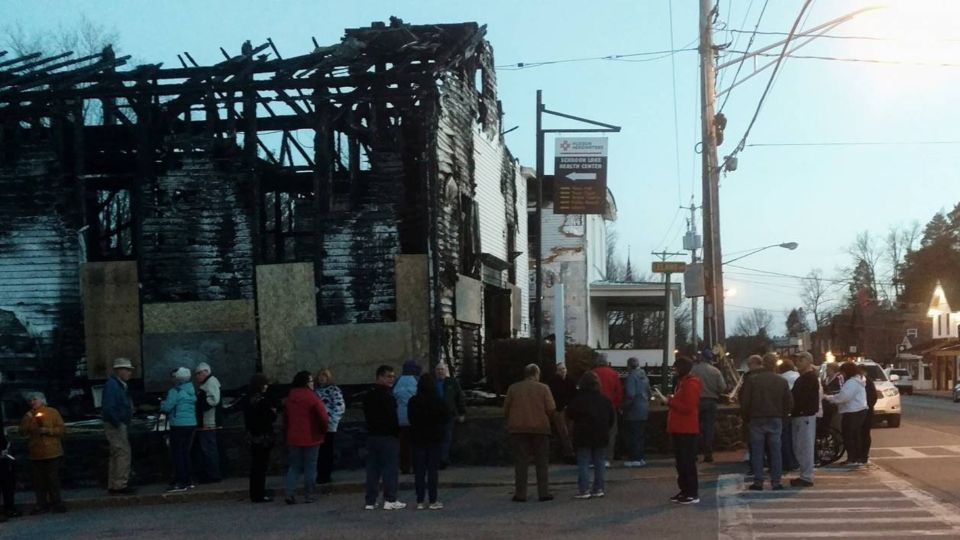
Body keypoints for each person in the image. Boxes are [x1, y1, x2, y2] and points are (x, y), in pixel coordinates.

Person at [504, 363, 556, 503]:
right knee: (542, 462)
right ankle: (543, 492)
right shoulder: (543, 388)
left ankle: (520, 494)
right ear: (536, 374)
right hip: (540, 429)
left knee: (521, 462)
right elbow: (551, 409)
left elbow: (506, 408)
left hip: (518, 429)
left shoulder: (513, 388)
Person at [741, 353, 793, 491]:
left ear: (763, 363)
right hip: (775, 418)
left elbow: (745, 401)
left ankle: (758, 482)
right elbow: (788, 402)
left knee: (757, 452)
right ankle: (776, 482)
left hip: (757, 418)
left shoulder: (753, 380)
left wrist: (746, 417)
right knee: (776, 451)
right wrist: (783, 416)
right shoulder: (781, 381)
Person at [656, 356, 702, 505]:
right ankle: (685, 491)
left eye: (676, 368)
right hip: (681, 427)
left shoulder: (690, 384)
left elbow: (688, 407)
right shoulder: (684, 383)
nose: (674, 371)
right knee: (682, 463)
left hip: (686, 428)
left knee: (686, 462)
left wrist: (669, 401)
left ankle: (691, 492)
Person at [566, 371, 615, 499]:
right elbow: (611, 419)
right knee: (599, 462)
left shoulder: (578, 399)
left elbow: (570, 414)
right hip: (601, 434)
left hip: (583, 434)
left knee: (583, 462)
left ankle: (584, 490)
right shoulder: (605, 400)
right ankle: (598, 489)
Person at [364, 365, 405, 510]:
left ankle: (370, 500)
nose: (391, 379)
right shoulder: (389, 397)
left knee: (373, 470)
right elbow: (392, 418)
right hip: (387, 437)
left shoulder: (368, 396)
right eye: (388, 376)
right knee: (390, 469)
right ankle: (390, 499)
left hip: (372, 436)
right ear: (380, 377)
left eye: (392, 376)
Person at [283, 370, 329, 504]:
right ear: (306, 383)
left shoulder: (290, 398)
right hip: (311, 436)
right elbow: (323, 417)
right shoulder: (312, 398)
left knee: (295, 467)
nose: (312, 383)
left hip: (293, 436)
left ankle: (289, 493)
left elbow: (285, 418)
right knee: (310, 466)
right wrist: (323, 430)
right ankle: (309, 495)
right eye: (310, 381)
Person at [18, 392, 66, 514]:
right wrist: (28, 418)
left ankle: (57, 503)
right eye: (30, 400)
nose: (32, 402)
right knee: (39, 481)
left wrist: (48, 430)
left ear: (42, 400)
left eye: (35, 399)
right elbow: (22, 431)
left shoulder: (52, 412)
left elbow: (61, 429)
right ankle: (41, 504)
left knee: (53, 479)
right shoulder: (28, 415)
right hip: (36, 452)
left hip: (52, 451)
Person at [407, 373, 448, 510]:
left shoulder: (413, 401)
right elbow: (444, 419)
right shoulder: (438, 401)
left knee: (419, 471)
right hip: (434, 439)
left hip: (417, 439)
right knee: (432, 471)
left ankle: (419, 500)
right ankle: (433, 500)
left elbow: (410, 419)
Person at [160, 367, 197, 493]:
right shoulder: (191, 390)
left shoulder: (174, 391)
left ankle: (181, 482)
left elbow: (167, 408)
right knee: (185, 452)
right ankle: (188, 480)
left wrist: (161, 403)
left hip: (178, 424)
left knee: (177, 453)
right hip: (191, 424)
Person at [102, 357, 136, 495]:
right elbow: (109, 407)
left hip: (115, 423)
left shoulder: (114, 384)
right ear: (119, 371)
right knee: (123, 453)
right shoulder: (114, 385)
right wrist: (118, 422)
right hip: (116, 424)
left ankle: (114, 484)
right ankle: (120, 484)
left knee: (116, 454)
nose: (129, 373)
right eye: (127, 370)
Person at [242, 373, 277, 503]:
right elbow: (271, 417)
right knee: (261, 466)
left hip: (252, 436)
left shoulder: (248, 399)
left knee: (255, 466)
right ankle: (259, 494)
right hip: (263, 436)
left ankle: (255, 492)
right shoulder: (262, 400)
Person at [789, 352, 821, 487]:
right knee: (799, 446)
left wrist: (794, 408)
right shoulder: (803, 378)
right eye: (797, 359)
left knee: (804, 446)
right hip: (800, 415)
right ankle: (804, 474)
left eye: (801, 359)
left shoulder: (809, 378)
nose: (798, 362)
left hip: (805, 415)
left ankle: (806, 476)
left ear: (808, 361)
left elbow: (800, 398)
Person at [691, 354, 727, 463]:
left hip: (696, 401)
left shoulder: (693, 370)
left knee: (694, 428)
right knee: (709, 429)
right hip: (711, 401)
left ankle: (694, 453)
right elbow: (723, 387)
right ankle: (708, 454)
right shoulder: (715, 371)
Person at [192, 362, 222, 484]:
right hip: (206, 422)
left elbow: (213, 400)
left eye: (199, 373)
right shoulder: (208, 383)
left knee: (209, 449)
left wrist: (200, 405)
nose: (197, 376)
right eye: (196, 374)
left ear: (206, 372)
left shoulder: (211, 382)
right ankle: (211, 473)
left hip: (209, 422)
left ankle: (213, 475)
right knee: (209, 449)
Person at [315, 369, 345, 484]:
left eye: (325, 376)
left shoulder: (334, 390)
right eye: (320, 376)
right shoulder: (314, 391)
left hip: (329, 424)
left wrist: (332, 420)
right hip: (317, 425)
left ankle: (326, 474)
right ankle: (320, 474)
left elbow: (339, 406)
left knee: (327, 450)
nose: (322, 378)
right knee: (318, 451)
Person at [592, 354, 623, 463]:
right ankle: (607, 457)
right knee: (611, 433)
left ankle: (595, 457)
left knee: (595, 432)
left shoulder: (593, 373)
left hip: (594, 407)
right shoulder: (613, 374)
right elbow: (618, 392)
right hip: (610, 406)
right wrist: (617, 405)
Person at [621, 357, 651, 468]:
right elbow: (649, 392)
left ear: (629, 366)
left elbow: (630, 394)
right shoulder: (644, 376)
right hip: (644, 408)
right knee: (640, 435)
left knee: (633, 435)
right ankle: (640, 457)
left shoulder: (631, 377)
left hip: (634, 410)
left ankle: (635, 458)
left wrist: (624, 406)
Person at [435, 362, 466, 468]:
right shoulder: (433, 383)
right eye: (438, 370)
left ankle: (443, 459)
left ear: (446, 371)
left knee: (446, 437)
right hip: (435, 414)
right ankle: (439, 459)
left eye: (442, 369)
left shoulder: (452, 382)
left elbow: (459, 398)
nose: (440, 372)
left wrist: (461, 412)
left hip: (449, 414)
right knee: (438, 438)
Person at [394, 360, 421, 475]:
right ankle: (416, 466)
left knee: (403, 445)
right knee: (416, 444)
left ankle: (404, 467)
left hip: (400, 417)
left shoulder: (397, 381)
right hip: (414, 418)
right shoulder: (417, 380)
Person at [548, 363, 577, 458]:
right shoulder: (553, 382)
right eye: (560, 369)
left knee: (570, 431)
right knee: (564, 432)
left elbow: (574, 395)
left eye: (564, 368)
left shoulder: (571, 380)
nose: (563, 371)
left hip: (569, 409)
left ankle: (569, 452)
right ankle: (570, 453)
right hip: (559, 410)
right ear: (557, 371)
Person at [777, 358, 800, 472]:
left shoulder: (782, 379)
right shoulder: (799, 376)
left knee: (784, 439)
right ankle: (794, 461)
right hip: (798, 411)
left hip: (784, 413)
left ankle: (787, 462)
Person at [0, 410, 21, 520]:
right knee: (6, 484)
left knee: (8, 484)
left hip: (5, 457)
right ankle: (9, 508)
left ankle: (9, 507)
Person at [858, 365, 878, 465]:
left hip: (866, 411)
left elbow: (873, 396)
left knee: (864, 434)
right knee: (861, 434)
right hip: (862, 411)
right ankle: (860, 454)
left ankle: (864, 455)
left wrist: (867, 406)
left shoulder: (867, 382)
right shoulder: (859, 382)